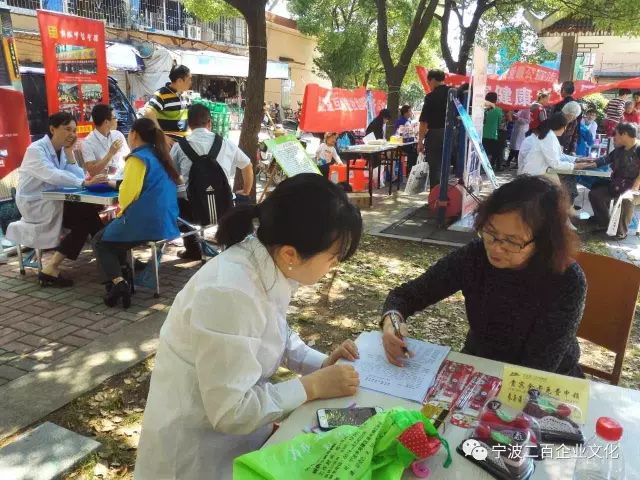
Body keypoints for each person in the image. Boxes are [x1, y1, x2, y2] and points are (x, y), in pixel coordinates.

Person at [134, 174, 363, 479]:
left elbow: (273, 332)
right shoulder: (230, 292)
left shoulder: (266, 263)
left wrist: (320, 364)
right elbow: (232, 411)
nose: (335, 266)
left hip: (236, 440)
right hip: (196, 454)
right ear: (291, 254)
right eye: (333, 258)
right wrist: (312, 386)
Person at [380, 175, 586, 377]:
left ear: (543, 241)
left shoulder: (566, 279)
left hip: (547, 379)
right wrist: (392, 321)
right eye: (490, 232)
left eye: (512, 241)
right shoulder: (475, 256)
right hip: (480, 363)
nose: (496, 248)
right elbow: (406, 295)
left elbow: (539, 368)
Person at [12, 112, 107, 287]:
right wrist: (83, 183)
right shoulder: (35, 150)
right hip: (36, 204)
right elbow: (52, 174)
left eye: (74, 130)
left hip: (54, 200)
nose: (72, 134)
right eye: (67, 129)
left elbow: (77, 176)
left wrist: (70, 154)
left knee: (87, 214)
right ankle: (114, 258)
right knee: (86, 215)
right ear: (52, 129)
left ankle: (112, 258)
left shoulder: (62, 151)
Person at [93, 118, 180, 307]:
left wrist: (119, 213)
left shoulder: (138, 158)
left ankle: (118, 283)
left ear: (134, 134)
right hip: (166, 221)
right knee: (112, 236)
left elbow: (127, 195)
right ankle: (123, 276)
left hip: (145, 222)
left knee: (100, 241)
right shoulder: (160, 156)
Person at [170, 104, 254, 260]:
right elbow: (247, 165)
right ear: (209, 122)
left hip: (193, 211)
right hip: (225, 208)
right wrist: (246, 191)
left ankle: (192, 249)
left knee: (175, 202)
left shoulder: (179, 147)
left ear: (189, 124)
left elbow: (170, 174)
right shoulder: (226, 143)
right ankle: (229, 248)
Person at [582, 123, 640, 240]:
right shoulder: (619, 150)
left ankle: (620, 233)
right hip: (617, 184)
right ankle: (604, 224)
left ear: (624, 134)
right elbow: (604, 160)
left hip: (634, 189)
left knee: (625, 200)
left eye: (616, 134)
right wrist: (583, 164)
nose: (615, 137)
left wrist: (635, 186)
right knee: (595, 194)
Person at [418, 70, 449, 188]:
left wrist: (420, 141)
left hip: (435, 135)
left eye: (428, 82)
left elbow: (423, 121)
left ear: (433, 80)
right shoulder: (453, 93)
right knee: (446, 166)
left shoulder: (431, 97)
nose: (428, 85)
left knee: (434, 167)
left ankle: (435, 195)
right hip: (451, 134)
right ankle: (445, 192)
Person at [81, 104, 130, 177]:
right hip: (103, 182)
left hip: (122, 177)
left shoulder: (118, 135)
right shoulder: (87, 142)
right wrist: (110, 153)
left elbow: (127, 156)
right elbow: (92, 172)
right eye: (114, 118)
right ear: (106, 122)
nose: (116, 120)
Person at [145, 64, 192, 141]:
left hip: (184, 141)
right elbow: (148, 112)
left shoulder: (185, 95)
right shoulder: (161, 94)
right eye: (189, 79)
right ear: (179, 81)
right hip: (169, 143)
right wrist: (162, 136)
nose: (190, 82)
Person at [482, 92, 504, 170]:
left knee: (483, 151)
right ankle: (489, 167)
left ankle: (481, 167)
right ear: (495, 100)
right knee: (492, 152)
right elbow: (500, 124)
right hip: (493, 134)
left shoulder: (482, 109)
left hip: (481, 134)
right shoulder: (498, 110)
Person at [395, 105, 419, 174]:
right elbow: (403, 134)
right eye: (410, 111)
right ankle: (410, 171)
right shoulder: (401, 121)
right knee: (413, 152)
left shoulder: (408, 121)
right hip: (401, 144)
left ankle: (411, 171)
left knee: (415, 150)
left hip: (407, 143)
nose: (411, 112)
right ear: (405, 113)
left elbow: (410, 133)